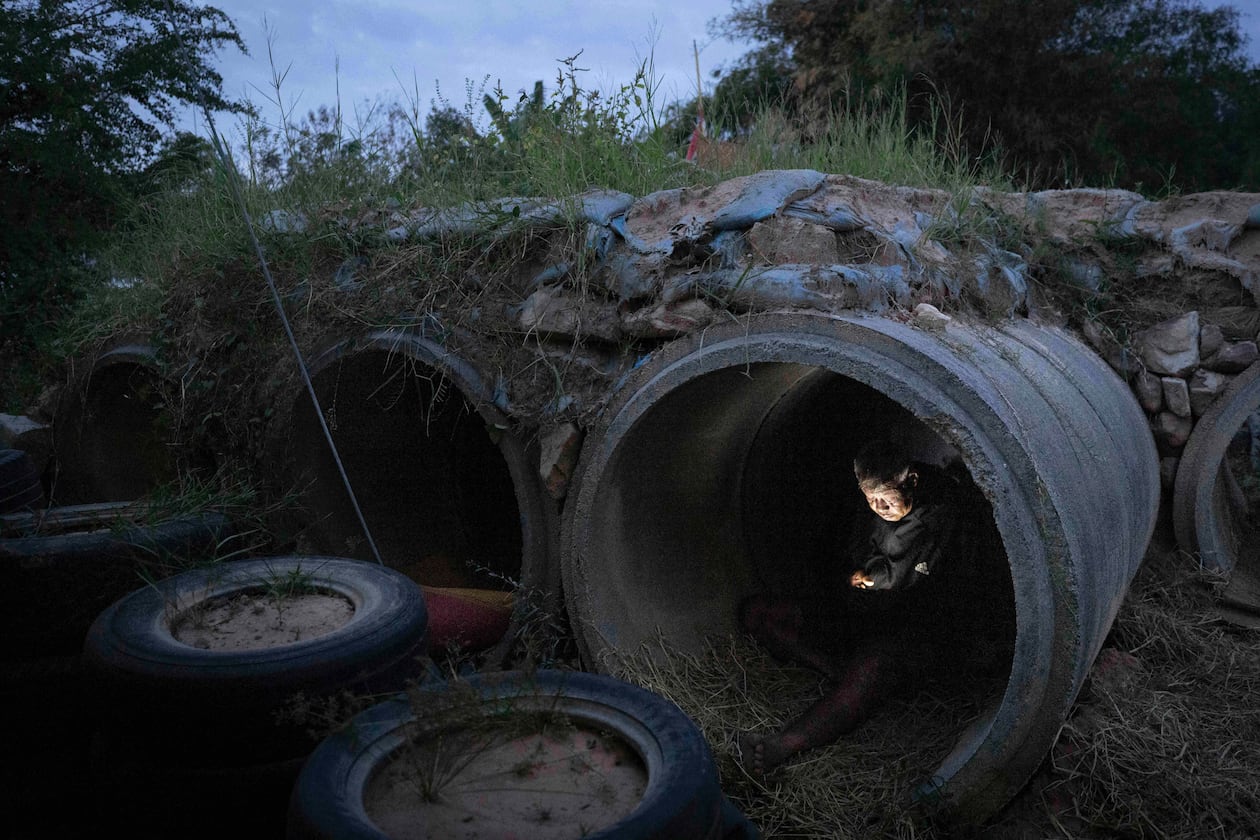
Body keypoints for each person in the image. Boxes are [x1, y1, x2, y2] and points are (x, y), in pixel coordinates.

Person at [736, 439, 981, 777]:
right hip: (856, 611)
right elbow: (842, 555)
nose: (880, 506)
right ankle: (834, 668)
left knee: (872, 669)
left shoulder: (940, 512)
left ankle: (783, 744)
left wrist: (873, 580)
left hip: (909, 625)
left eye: (887, 498)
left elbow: (921, 581)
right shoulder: (867, 507)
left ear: (911, 480)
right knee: (759, 614)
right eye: (871, 499)